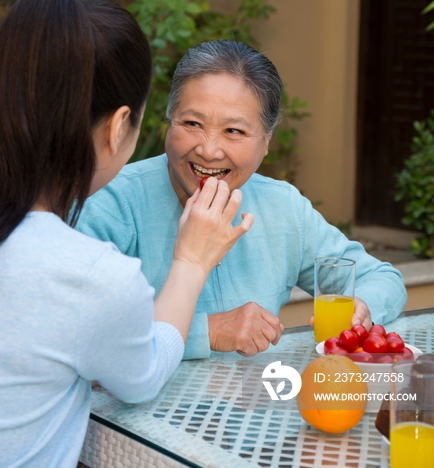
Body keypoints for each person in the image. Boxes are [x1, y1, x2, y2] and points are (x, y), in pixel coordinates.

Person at [0, 0, 252, 468]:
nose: (209, 149)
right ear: (118, 127)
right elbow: (141, 378)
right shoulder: (91, 275)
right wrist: (191, 261)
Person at [76, 40, 407, 360]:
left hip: (257, 406)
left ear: (266, 141)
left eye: (233, 131)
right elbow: (80, 333)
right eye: (192, 123)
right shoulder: (111, 201)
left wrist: (363, 308)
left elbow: (382, 279)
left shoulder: (282, 207)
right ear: (168, 119)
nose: (208, 149)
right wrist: (209, 331)